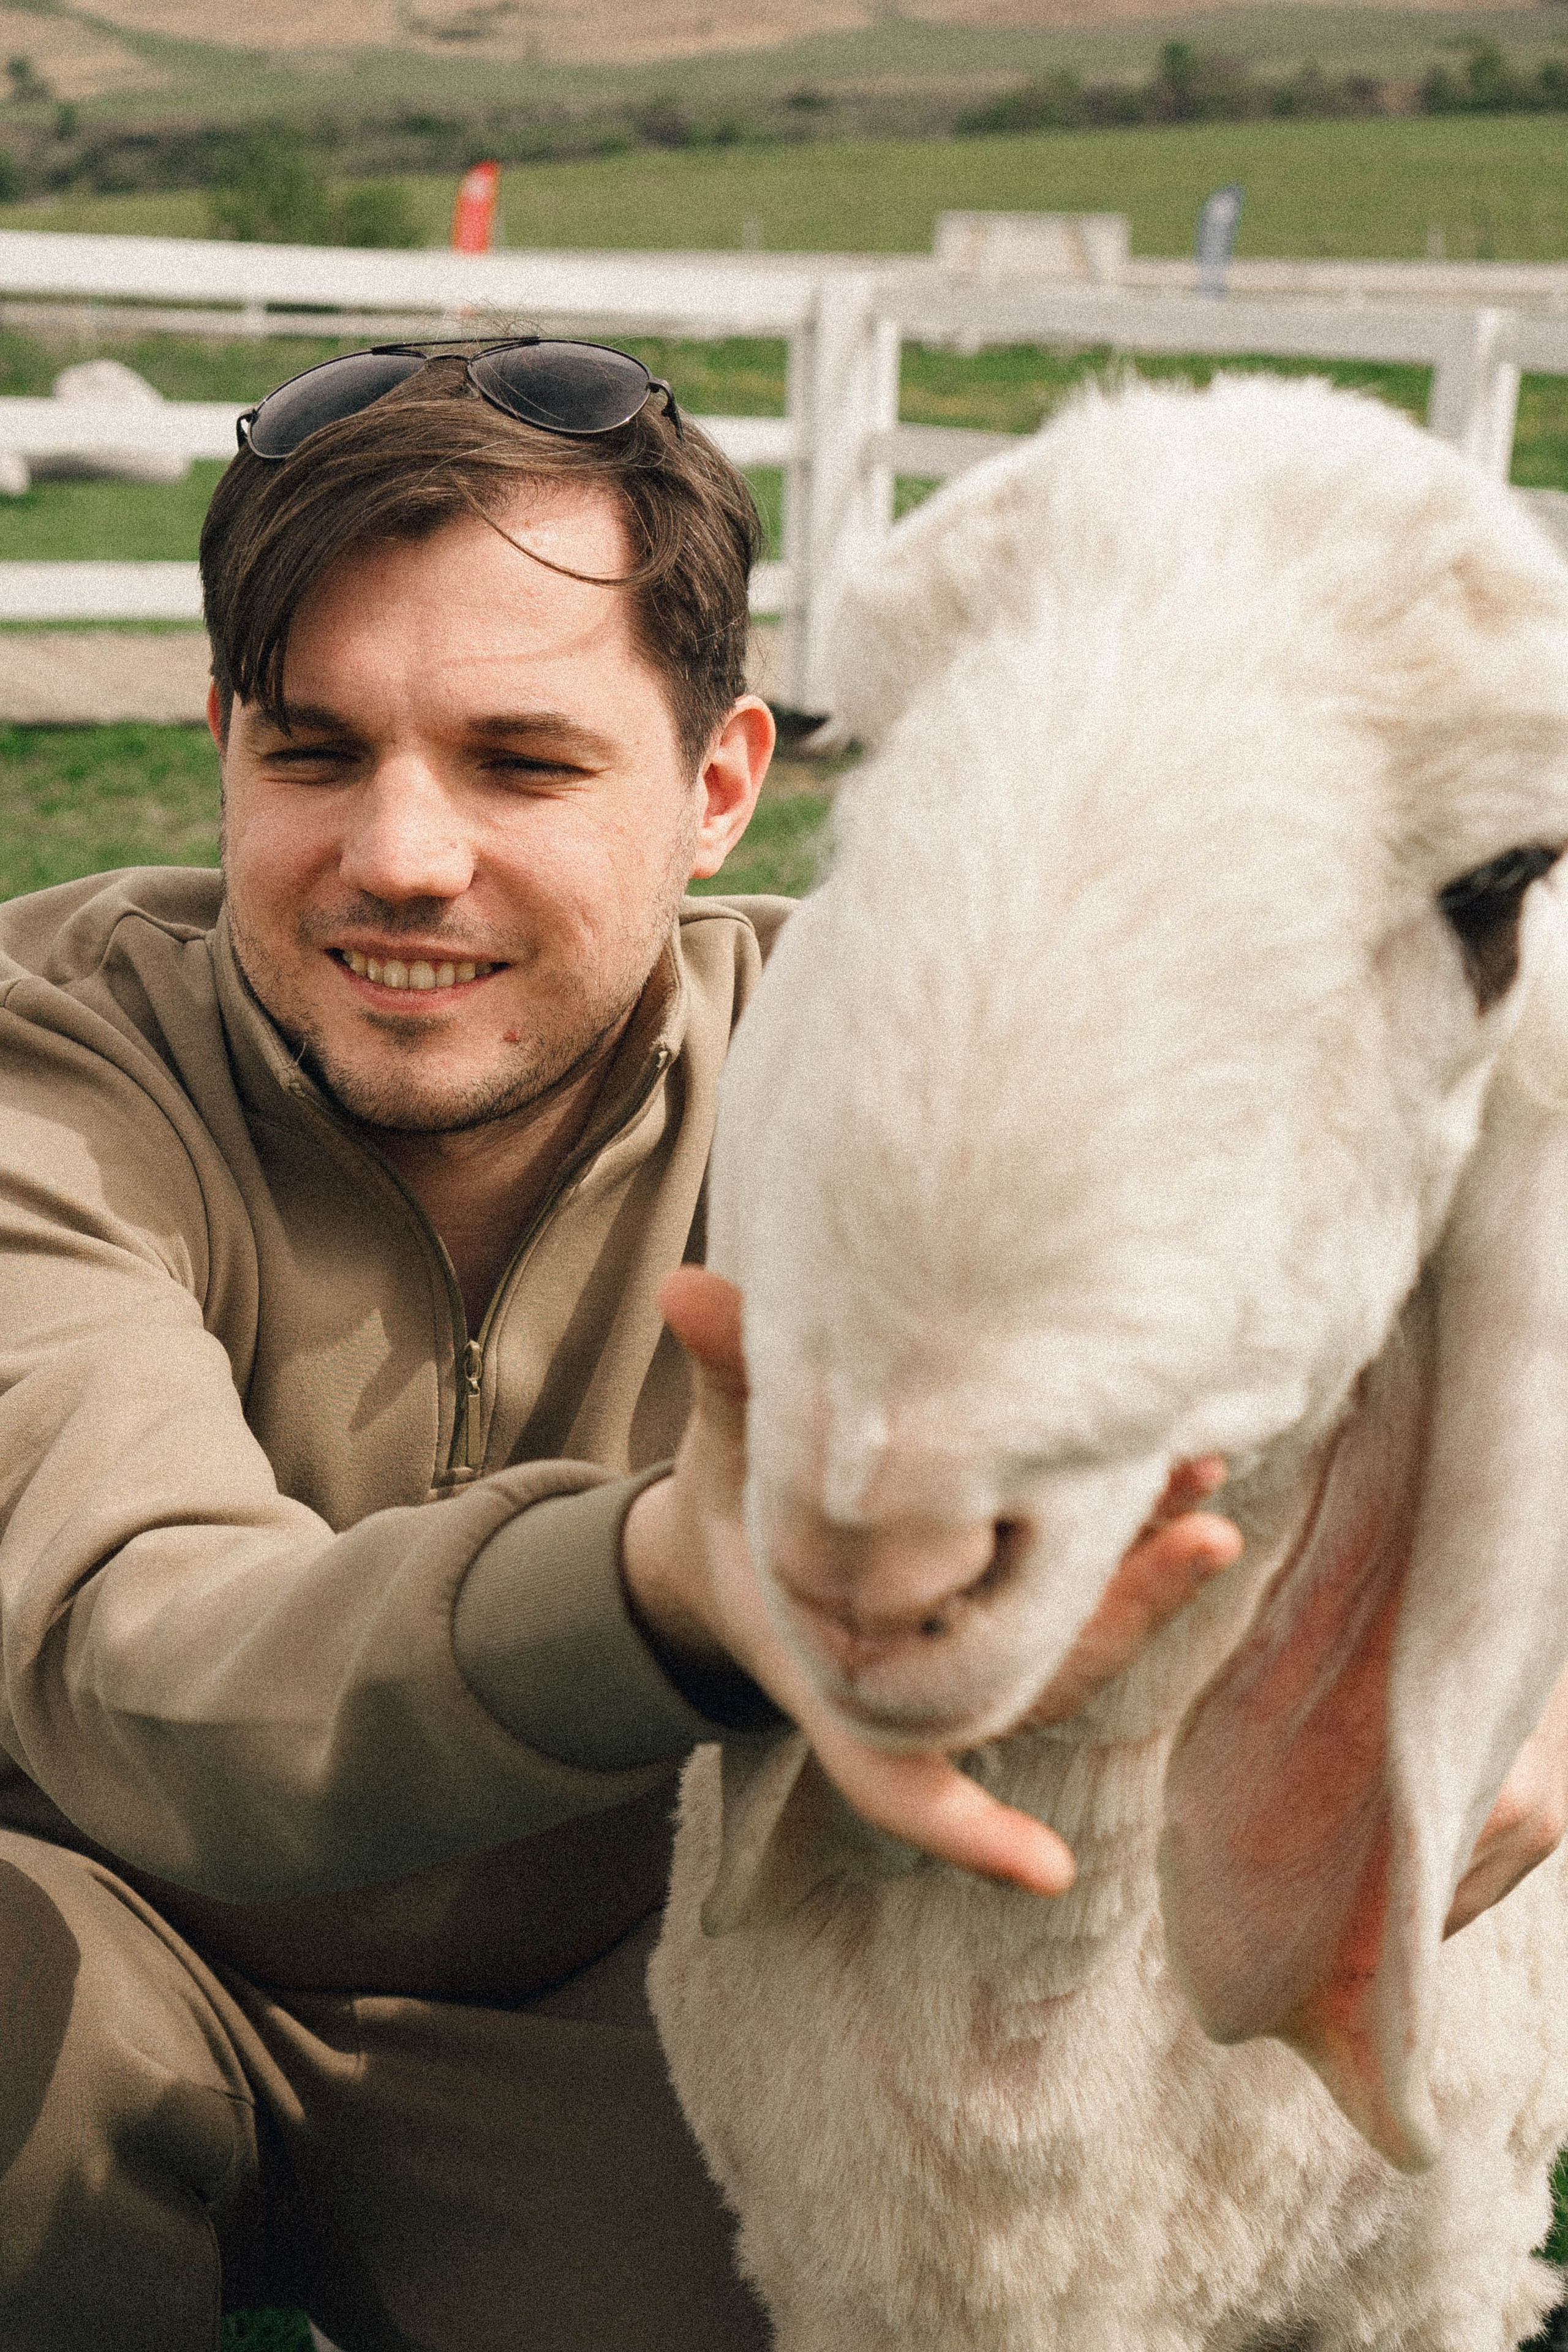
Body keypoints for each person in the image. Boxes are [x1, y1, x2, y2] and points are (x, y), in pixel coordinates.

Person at [0, 339, 1560, 2352]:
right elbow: (139, 1658)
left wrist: (1530, 1643)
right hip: (120, 1945)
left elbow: (1409, 1194)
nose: (401, 853)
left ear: (723, 785)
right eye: (313, 751)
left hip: (615, 2015)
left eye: (521, 762)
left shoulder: (903, 1077)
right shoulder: (50, 1075)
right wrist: (681, 1586)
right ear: (218, 739)